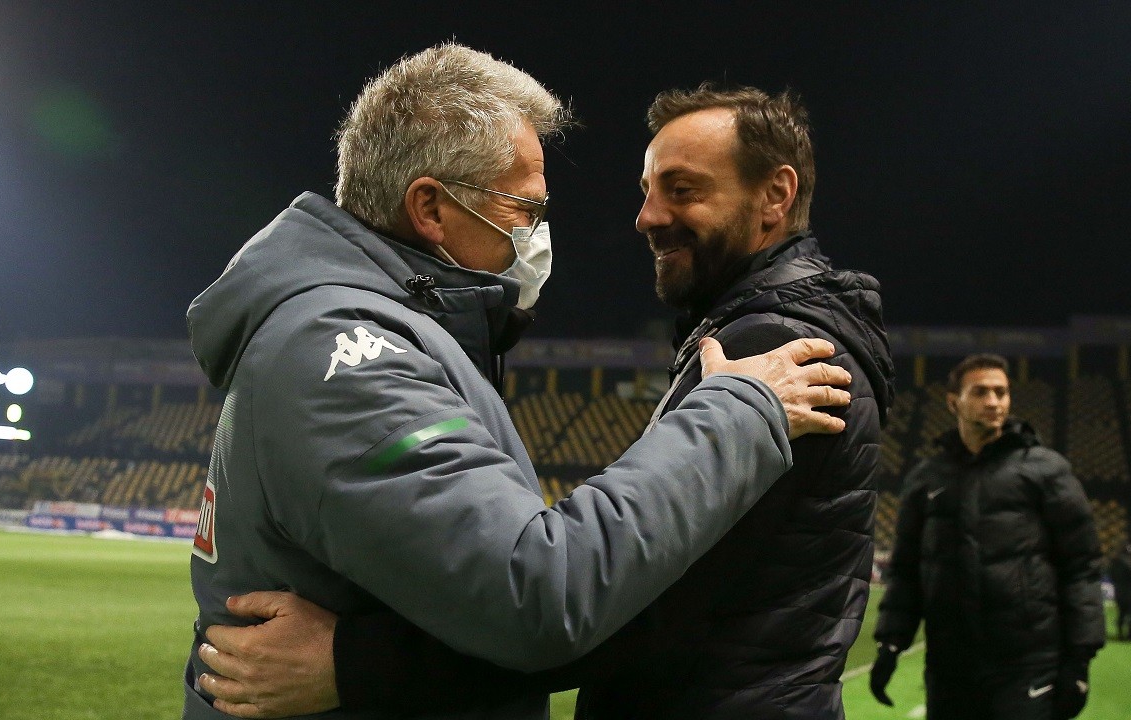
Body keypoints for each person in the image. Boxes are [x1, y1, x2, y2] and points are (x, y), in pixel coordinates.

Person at [181, 45, 853, 720]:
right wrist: (740, 410)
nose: (535, 233)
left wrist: (355, 663)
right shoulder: (344, 351)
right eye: (524, 208)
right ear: (431, 208)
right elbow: (540, 594)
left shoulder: (378, 329)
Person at [871, 354, 1105, 720]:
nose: (994, 402)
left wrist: (1080, 659)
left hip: (1027, 664)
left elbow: (1081, 566)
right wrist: (891, 642)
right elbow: (906, 571)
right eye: (980, 392)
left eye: (1001, 392)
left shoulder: (1046, 470)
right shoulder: (926, 479)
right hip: (949, 666)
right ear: (954, 402)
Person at [1109, 545, 1131, 641]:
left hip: (1118, 591)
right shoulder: (1128, 563)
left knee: (1121, 613)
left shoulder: (1114, 563)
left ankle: (1120, 634)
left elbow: (1111, 575)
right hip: (1130, 591)